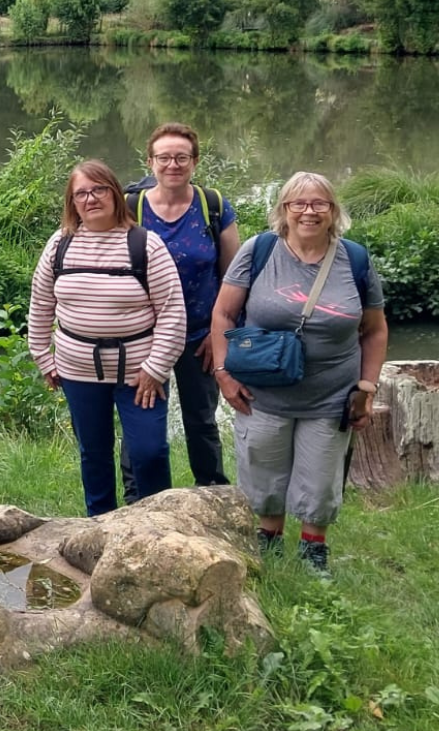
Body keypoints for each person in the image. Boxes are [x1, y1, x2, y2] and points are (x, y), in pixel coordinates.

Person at [209, 172, 387, 577]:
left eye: (319, 203)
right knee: (262, 470)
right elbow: (222, 313)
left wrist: (367, 385)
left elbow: (375, 329)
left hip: (330, 395)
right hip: (263, 393)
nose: (309, 211)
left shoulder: (354, 259)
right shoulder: (259, 250)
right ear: (284, 210)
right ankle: (267, 542)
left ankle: (313, 553)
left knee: (321, 475)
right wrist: (222, 371)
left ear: (333, 211)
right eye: (299, 203)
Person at [28, 160, 186, 516]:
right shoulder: (59, 245)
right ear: (72, 202)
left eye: (98, 190)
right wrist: (43, 356)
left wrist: (156, 368)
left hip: (140, 374)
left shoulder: (146, 245)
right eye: (80, 193)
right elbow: (40, 305)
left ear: (115, 194)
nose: (90, 199)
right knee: (93, 452)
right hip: (77, 370)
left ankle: (155, 524)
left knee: (149, 451)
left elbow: (173, 313)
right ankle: (98, 525)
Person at [119, 123, 240, 502]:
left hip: (199, 335)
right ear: (150, 161)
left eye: (182, 157)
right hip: (143, 337)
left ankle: (213, 496)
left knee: (202, 421)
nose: (173, 164)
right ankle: (141, 500)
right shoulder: (130, 207)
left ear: (195, 161)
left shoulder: (214, 205)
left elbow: (233, 278)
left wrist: (218, 335)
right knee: (142, 422)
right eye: (165, 157)